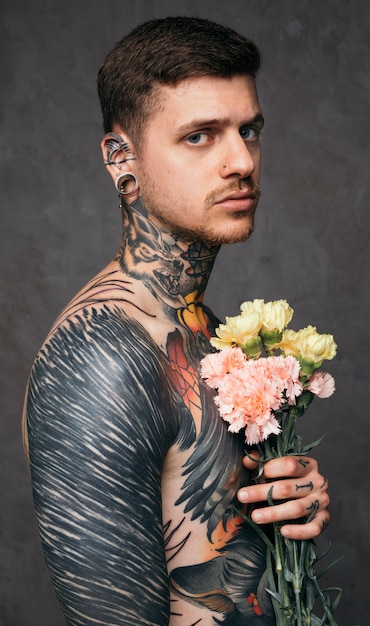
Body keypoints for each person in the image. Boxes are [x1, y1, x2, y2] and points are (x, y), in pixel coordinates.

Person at [22, 16, 330, 626]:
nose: (241, 159)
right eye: (200, 136)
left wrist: (288, 508)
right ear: (121, 160)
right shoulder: (100, 359)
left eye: (250, 130)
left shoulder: (202, 328)